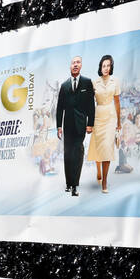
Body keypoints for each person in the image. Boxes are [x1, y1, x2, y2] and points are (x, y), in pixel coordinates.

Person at [55, 55, 96, 196]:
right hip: (67, 125)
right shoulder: (64, 85)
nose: (75, 65)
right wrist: (59, 127)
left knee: (78, 153)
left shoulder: (87, 82)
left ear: (81, 65)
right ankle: (68, 183)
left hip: (81, 125)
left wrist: (90, 123)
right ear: (70, 66)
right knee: (68, 153)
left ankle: (75, 185)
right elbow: (60, 108)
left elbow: (91, 105)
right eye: (73, 63)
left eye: (78, 62)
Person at [87, 54, 122, 194]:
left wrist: (119, 122)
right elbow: (90, 104)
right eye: (104, 65)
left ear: (111, 67)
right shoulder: (95, 83)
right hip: (98, 115)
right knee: (97, 146)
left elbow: (117, 102)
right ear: (100, 67)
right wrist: (88, 123)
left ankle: (105, 181)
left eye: (108, 65)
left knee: (107, 147)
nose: (106, 68)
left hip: (110, 116)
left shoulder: (115, 81)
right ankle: (98, 170)